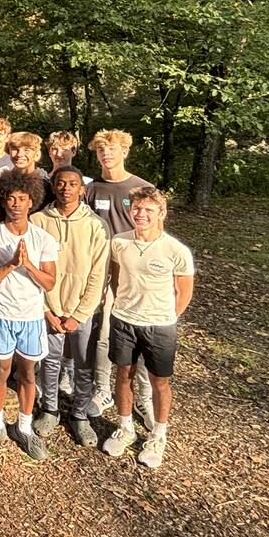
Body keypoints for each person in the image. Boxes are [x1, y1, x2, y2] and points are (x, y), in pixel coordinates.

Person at [102, 187, 195, 470]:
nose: (141, 215)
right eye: (137, 209)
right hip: (123, 320)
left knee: (159, 382)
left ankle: (158, 435)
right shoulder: (119, 242)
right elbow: (116, 281)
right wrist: (126, 308)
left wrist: (164, 317)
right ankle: (125, 427)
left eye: (148, 210)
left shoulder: (176, 250)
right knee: (122, 375)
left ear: (161, 214)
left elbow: (184, 293)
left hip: (159, 326)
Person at [0, 170, 59, 460]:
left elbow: (50, 282)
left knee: (28, 373)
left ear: (31, 201)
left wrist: (29, 266)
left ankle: (25, 427)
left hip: (32, 317)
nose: (15, 204)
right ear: (3, 200)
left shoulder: (43, 238)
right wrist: (11, 264)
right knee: (0, 371)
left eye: (22, 198)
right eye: (10, 198)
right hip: (1, 314)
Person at [30, 167, 109, 449]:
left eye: (72, 184)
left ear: (82, 189)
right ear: (53, 186)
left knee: (83, 363)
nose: (66, 188)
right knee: (50, 362)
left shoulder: (95, 225)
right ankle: (50, 409)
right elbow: (31, 271)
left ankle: (79, 414)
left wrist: (79, 315)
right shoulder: (38, 221)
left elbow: (99, 274)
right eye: (60, 183)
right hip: (48, 308)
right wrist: (47, 310)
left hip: (82, 311)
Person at [84, 128, 154, 418]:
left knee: (142, 333)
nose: (107, 154)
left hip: (136, 272)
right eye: (101, 150)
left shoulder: (142, 189)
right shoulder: (91, 189)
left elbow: (154, 231)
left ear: (125, 152)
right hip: (102, 270)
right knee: (103, 333)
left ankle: (145, 397)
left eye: (112, 149)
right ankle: (102, 390)